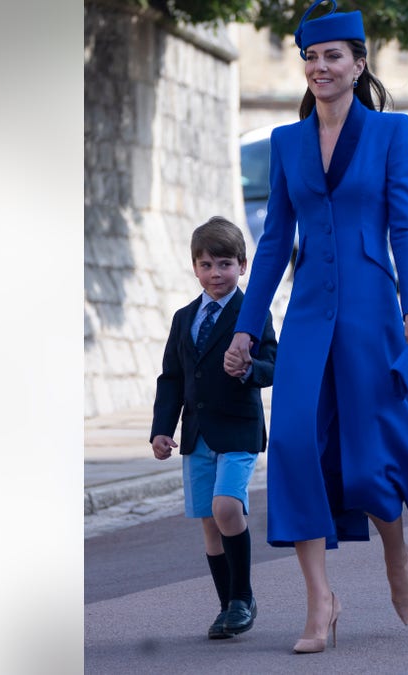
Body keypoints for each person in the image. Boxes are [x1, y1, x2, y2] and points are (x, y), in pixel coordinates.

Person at [224, 0, 408, 655]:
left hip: (370, 307)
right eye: (309, 57)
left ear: (359, 61)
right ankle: (321, 601)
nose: (319, 67)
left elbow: (405, 226)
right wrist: (246, 327)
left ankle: (396, 552)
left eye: (332, 56)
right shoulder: (287, 142)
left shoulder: (392, 133)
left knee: (369, 463)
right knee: (289, 444)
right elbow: (276, 239)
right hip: (310, 309)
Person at [150, 216, 278, 640]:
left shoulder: (252, 312)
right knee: (209, 520)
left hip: (239, 429)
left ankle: (243, 597)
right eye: (206, 264)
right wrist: (162, 428)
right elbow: (171, 377)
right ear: (194, 268)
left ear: (242, 265)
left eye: (224, 263)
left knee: (227, 507)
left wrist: (248, 370)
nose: (215, 273)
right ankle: (227, 607)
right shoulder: (184, 318)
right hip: (196, 435)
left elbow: (275, 364)